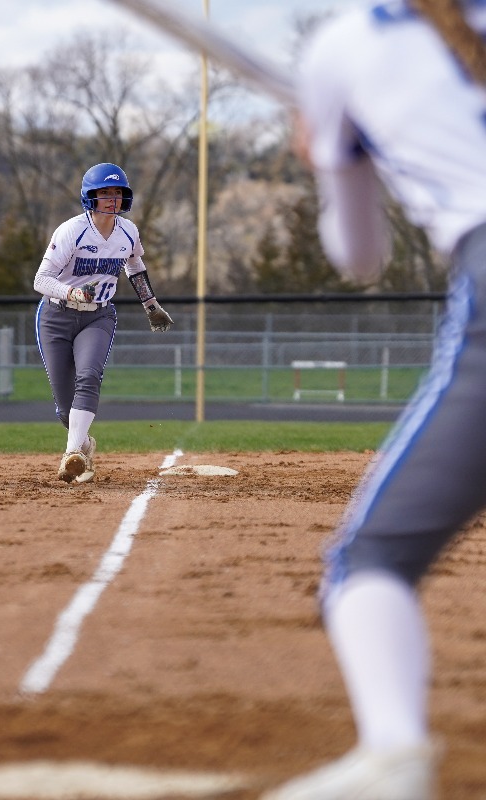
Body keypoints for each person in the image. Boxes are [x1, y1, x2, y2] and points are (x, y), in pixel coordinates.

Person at [262, 2, 486, 798]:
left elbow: (359, 256)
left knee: (371, 562)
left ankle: (393, 759)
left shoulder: (345, 46)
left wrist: (325, 155)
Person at [34, 163, 173, 483]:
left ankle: (72, 455)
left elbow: (135, 265)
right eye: (104, 193)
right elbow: (41, 280)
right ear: (89, 197)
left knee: (89, 375)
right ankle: (83, 444)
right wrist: (71, 291)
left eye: (117, 192)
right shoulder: (71, 230)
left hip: (98, 315)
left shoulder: (128, 231)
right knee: (64, 409)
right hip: (55, 315)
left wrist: (151, 304)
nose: (112, 199)